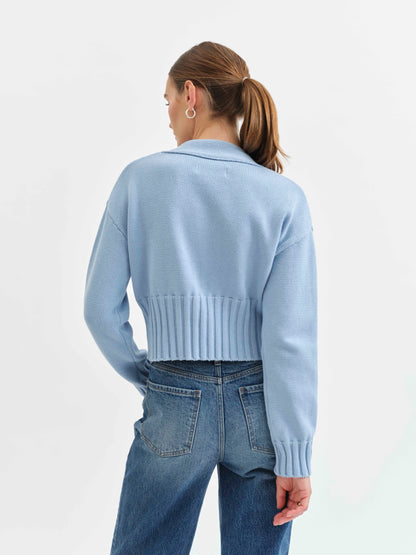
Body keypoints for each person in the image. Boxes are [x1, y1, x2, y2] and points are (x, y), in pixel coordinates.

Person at [84, 41, 318, 555]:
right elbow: (290, 339)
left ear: (191, 95)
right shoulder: (284, 198)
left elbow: (99, 309)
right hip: (259, 408)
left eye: (168, 100)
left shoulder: (139, 179)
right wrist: (295, 454)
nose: (169, 114)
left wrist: (150, 374)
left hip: (173, 394)